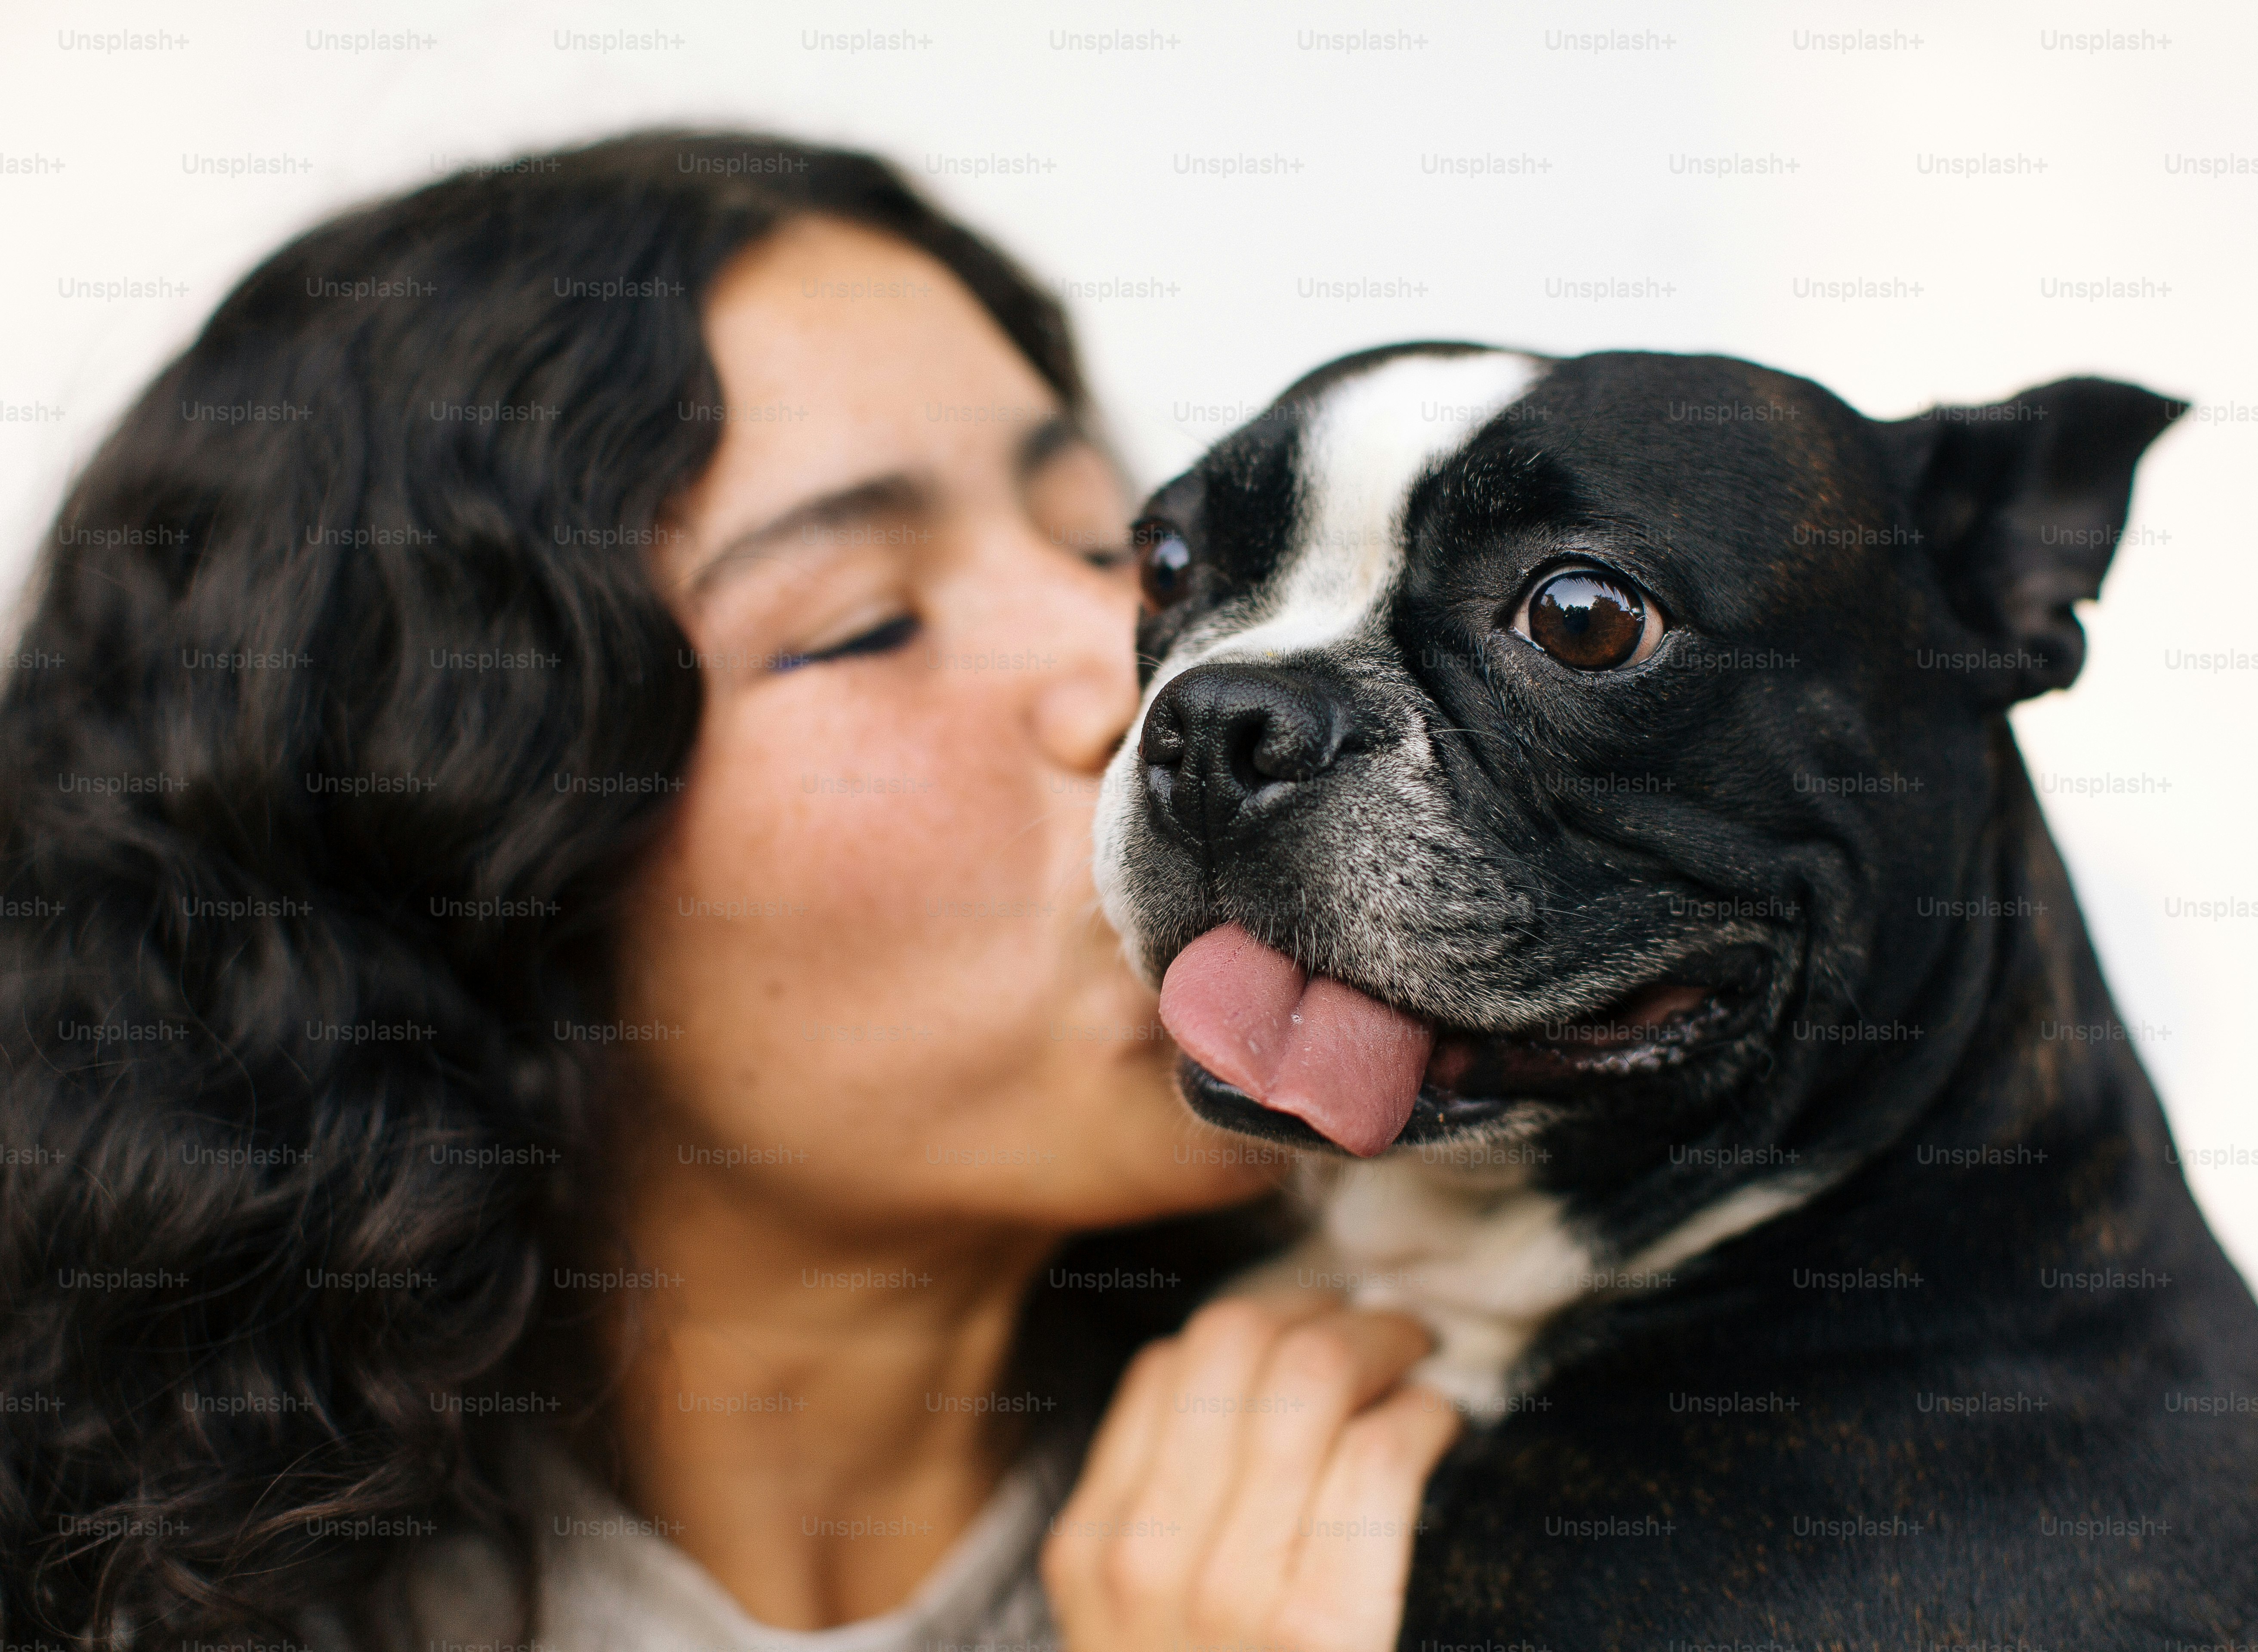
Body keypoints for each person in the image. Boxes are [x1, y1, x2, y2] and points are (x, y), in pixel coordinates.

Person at [0, 131, 1458, 1652]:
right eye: (866, 624)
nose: (1145, 673)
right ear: (475, 861)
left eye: (1123, 550)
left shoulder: (1486, 1452)